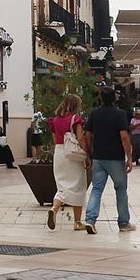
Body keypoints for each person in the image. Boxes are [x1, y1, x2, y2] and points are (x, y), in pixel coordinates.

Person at [81, 86, 134, 235]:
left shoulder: (94, 113)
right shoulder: (119, 114)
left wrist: (89, 154)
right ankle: (123, 223)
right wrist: (129, 158)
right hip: (116, 158)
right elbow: (124, 137)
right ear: (114, 98)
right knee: (121, 189)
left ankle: (90, 220)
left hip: (99, 157)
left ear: (100, 98)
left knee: (96, 189)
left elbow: (87, 135)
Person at [46, 94, 89, 232]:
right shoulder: (75, 119)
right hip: (73, 154)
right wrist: (87, 155)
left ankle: (54, 208)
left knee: (62, 186)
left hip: (59, 153)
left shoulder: (54, 120)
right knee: (78, 186)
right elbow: (81, 138)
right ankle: (77, 222)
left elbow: (54, 140)